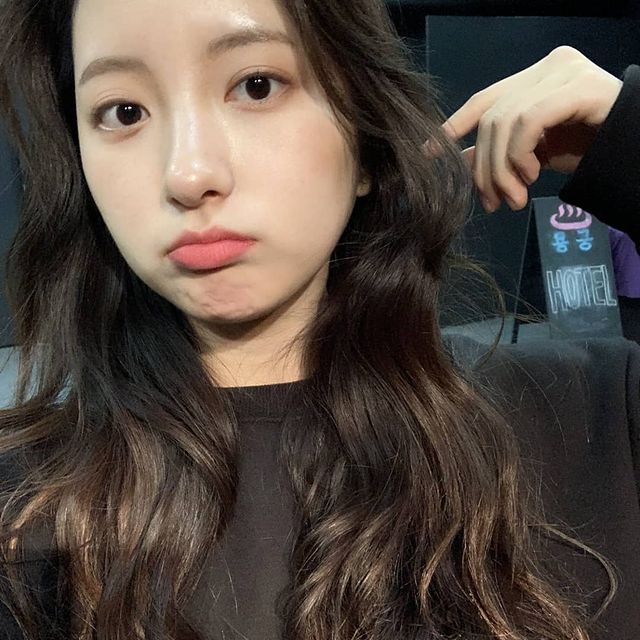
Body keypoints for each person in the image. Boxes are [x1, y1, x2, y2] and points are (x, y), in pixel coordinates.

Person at [0, 2, 637, 640]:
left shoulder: (594, 415)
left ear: (365, 143)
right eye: (123, 112)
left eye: (257, 86)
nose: (188, 175)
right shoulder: (25, 508)